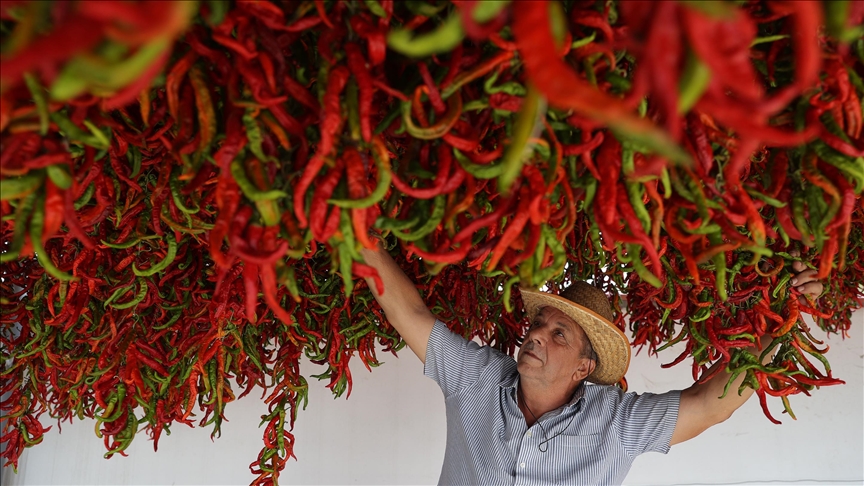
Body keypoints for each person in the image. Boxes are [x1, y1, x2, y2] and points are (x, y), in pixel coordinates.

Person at [358, 244, 823, 485]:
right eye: (539, 322)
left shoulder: (616, 421)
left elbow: (709, 404)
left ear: (584, 367)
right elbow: (410, 314)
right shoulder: (477, 378)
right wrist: (360, 237)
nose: (536, 333)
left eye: (559, 334)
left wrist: (787, 321)